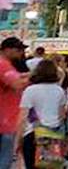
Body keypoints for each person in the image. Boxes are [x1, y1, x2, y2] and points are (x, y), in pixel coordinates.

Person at [20, 60, 67, 169]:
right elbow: (62, 116)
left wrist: (18, 140)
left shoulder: (30, 90)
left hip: (33, 133)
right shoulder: (59, 91)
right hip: (54, 134)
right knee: (52, 166)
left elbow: (23, 117)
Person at [0, 37, 29, 169]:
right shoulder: (3, 64)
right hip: (5, 122)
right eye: (18, 50)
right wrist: (38, 76)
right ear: (7, 50)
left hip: (8, 120)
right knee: (4, 160)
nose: (21, 53)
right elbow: (16, 83)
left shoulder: (8, 65)